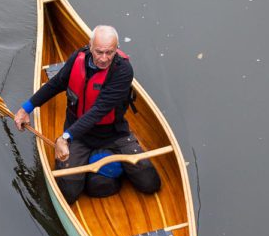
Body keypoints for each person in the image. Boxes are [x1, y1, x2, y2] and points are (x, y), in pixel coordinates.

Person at [13, 25, 161, 204]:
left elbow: (99, 111)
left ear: (117, 49)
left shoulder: (123, 70)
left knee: (150, 183)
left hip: (113, 134)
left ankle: (105, 162)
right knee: (68, 192)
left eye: (110, 52)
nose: (104, 58)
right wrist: (25, 109)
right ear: (90, 46)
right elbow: (56, 84)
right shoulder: (78, 58)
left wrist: (65, 138)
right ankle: (100, 164)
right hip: (79, 136)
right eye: (99, 52)